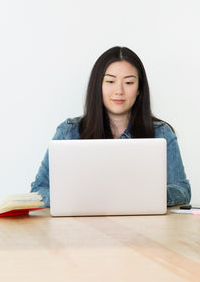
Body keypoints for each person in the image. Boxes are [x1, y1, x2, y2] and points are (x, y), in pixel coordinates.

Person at [31, 46, 191, 207]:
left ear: (139, 90)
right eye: (110, 81)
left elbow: (182, 191)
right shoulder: (68, 132)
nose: (119, 91)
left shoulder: (161, 133)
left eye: (129, 82)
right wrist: (81, 198)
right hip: (83, 227)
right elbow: (38, 190)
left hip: (143, 227)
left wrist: (141, 194)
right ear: (98, 86)